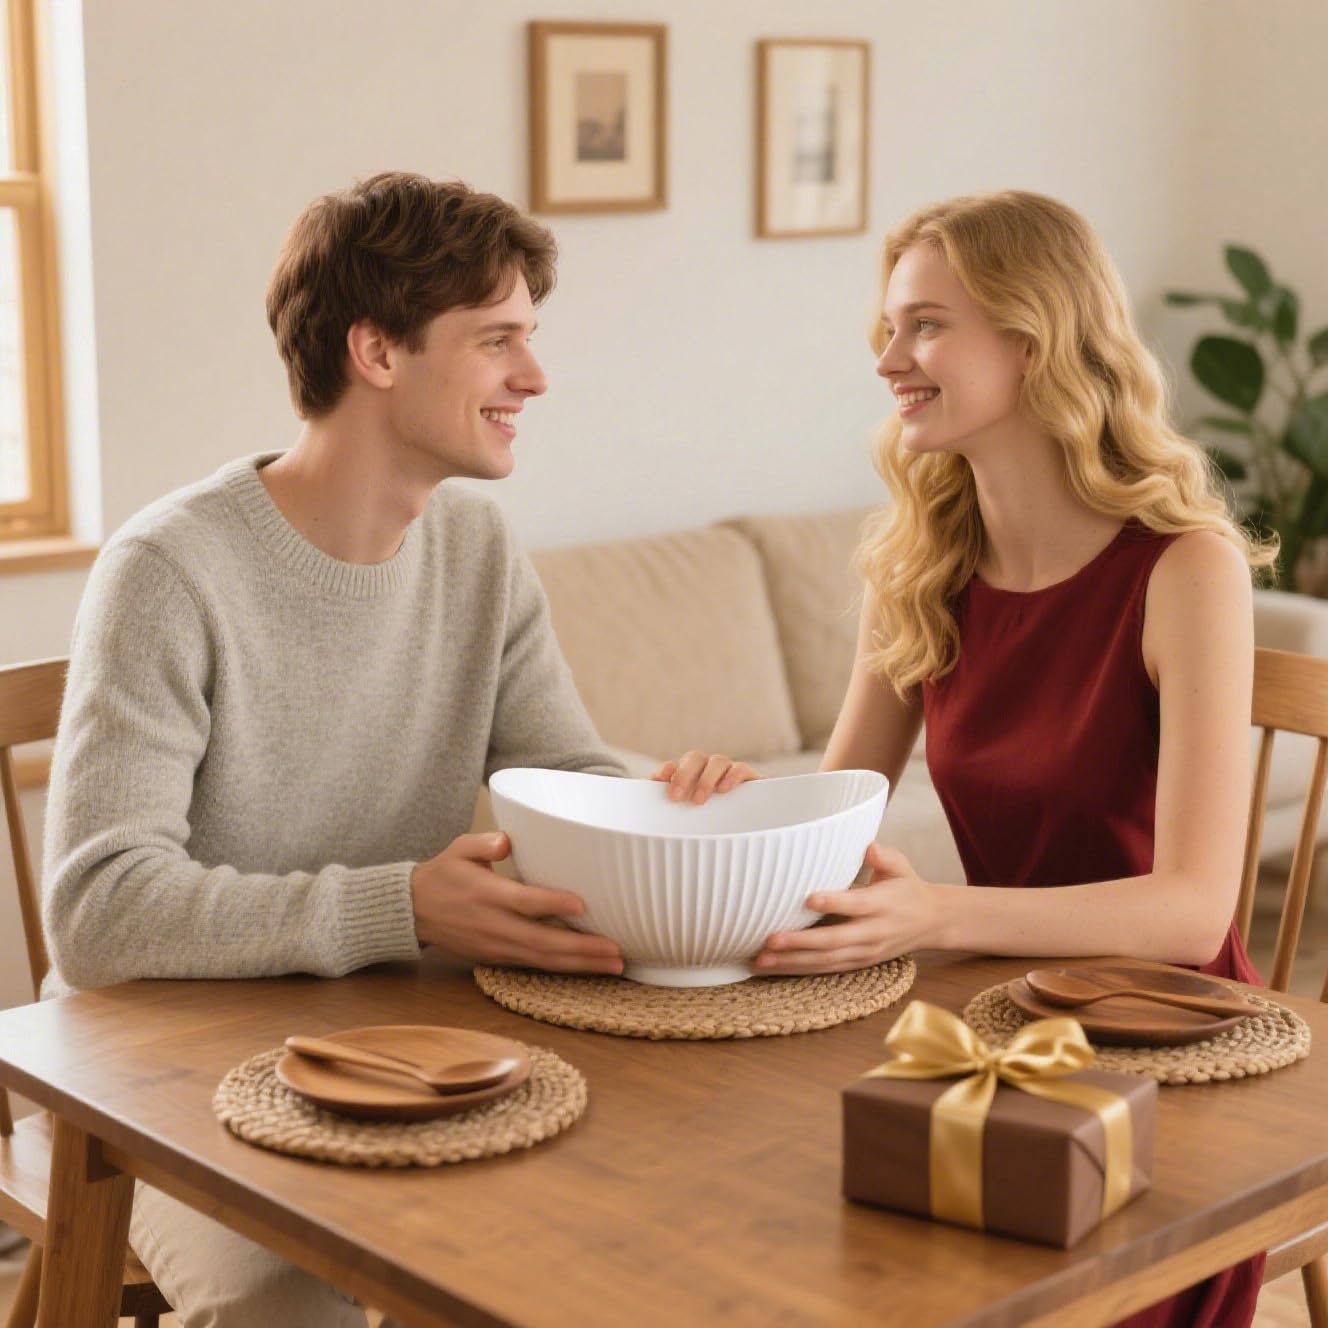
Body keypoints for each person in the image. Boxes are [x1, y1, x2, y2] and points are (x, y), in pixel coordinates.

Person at [657, 190, 1271, 1326]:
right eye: (889, 328)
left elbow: (1193, 913)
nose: (889, 358)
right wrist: (734, 802)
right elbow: (837, 818)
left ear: (1034, 338)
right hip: (994, 1015)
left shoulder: (1184, 569)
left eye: (926, 326)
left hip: (1168, 1039)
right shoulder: (922, 567)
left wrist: (935, 913)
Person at [42, 171, 625, 1327]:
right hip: (144, 1063)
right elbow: (98, 913)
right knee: (290, 1293)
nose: (534, 376)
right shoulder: (170, 570)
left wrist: (668, 806)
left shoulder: (476, 547)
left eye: (529, 337)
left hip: (390, 1042)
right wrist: (399, 903)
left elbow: (567, 777)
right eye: (496, 340)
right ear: (376, 351)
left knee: (604, 1215)